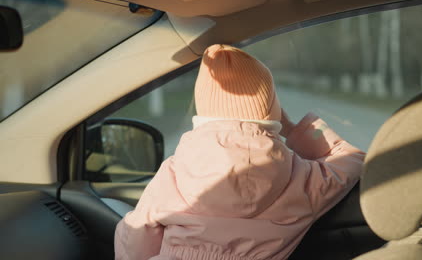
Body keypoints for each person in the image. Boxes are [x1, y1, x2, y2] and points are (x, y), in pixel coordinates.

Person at [114, 44, 365, 260]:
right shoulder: (298, 177)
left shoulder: (177, 168)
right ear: (271, 109)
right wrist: (291, 128)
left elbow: (138, 232)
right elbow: (351, 159)